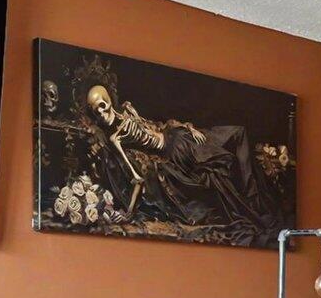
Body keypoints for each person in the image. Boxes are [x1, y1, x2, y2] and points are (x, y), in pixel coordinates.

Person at [85, 83, 275, 243]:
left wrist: (189, 127)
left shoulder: (128, 110)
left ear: (109, 101)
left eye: (103, 105)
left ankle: (253, 196)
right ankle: (251, 202)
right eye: (97, 112)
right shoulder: (115, 138)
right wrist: (128, 213)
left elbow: (160, 126)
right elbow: (138, 179)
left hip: (179, 136)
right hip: (175, 152)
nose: (102, 113)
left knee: (238, 133)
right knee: (219, 166)